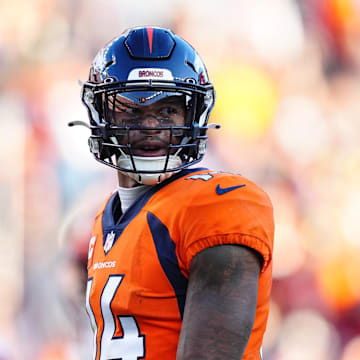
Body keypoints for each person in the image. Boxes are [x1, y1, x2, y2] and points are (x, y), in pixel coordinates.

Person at [71, 26, 274, 360]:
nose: (151, 126)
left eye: (167, 110)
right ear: (101, 115)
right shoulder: (105, 218)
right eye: (132, 110)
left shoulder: (217, 201)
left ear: (193, 115)